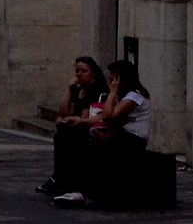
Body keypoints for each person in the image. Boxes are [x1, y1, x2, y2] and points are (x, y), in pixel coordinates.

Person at [53, 59, 152, 207]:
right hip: (122, 135)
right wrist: (81, 121)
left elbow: (107, 116)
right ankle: (70, 185)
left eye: (113, 75)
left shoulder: (134, 97)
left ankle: (86, 192)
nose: (110, 78)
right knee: (78, 141)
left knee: (92, 149)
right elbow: (102, 116)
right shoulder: (124, 95)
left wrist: (112, 92)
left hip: (132, 139)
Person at [41, 56, 108, 197]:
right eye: (77, 71)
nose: (79, 75)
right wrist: (69, 89)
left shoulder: (98, 91)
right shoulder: (78, 90)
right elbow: (64, 111)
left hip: (89, 129)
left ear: (93, 73)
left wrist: (68, 119)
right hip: (76, 127)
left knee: (67, 136)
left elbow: (86, 117)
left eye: (84, 71)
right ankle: (58, 177)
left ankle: (62, 179)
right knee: (61, 135)